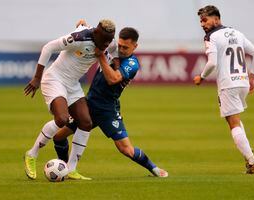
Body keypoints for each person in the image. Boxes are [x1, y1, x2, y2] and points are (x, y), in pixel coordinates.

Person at [53, 26, 168, 179]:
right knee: (59, 137)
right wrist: (83, 25)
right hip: (88, 104)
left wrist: (101, 57)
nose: (121, 49)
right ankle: (65, 169)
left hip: (107, 110)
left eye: (126, 47)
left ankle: (154, 169)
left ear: (135, 46)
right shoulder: (111, 49)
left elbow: (113, 79)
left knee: (126, 149)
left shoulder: (132, 63)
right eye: (119, 45)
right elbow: (95, 34)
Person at [24, 19, 116, 180]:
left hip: (72, 85)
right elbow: (48, 47)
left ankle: (72, 168)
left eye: (109, 41)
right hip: (55, 80)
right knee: (62, 119)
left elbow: (112, 52)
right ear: (95, 34)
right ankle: (31, 154)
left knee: (86, 122)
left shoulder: (108, 42)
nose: (105, 45)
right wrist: (37, 78)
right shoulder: (80, 38)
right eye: (103, 41)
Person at [193, 5, 254, 174]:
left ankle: (252, 162)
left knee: (233, 123)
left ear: (216, 19)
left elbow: (213, 63)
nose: (202, 24)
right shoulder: (236, 32)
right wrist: (252, 77)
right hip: (243, 82)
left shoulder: (211, 37)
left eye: (205, 20)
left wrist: (201, 77)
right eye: (201, 21)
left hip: (228, 84)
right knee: (236, 121)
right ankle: (249, 158)